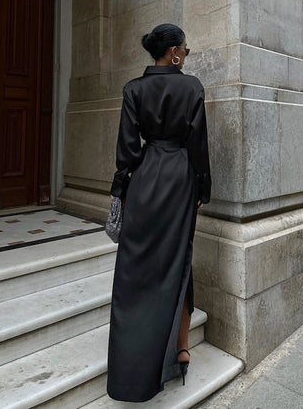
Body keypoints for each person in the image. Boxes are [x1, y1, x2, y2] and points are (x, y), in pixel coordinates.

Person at [106, 23, 212, 402]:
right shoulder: (192, 87)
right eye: (186, 49)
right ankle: (179, 347)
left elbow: (127, 150)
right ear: (174, 53)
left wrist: (121, 190)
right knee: (178, 260)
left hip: (144, 180)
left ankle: (130, 371)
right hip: (180, 180)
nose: (187, 54)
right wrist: (203, 188)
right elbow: (198, 144)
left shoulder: (133, 89)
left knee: (134, 273)